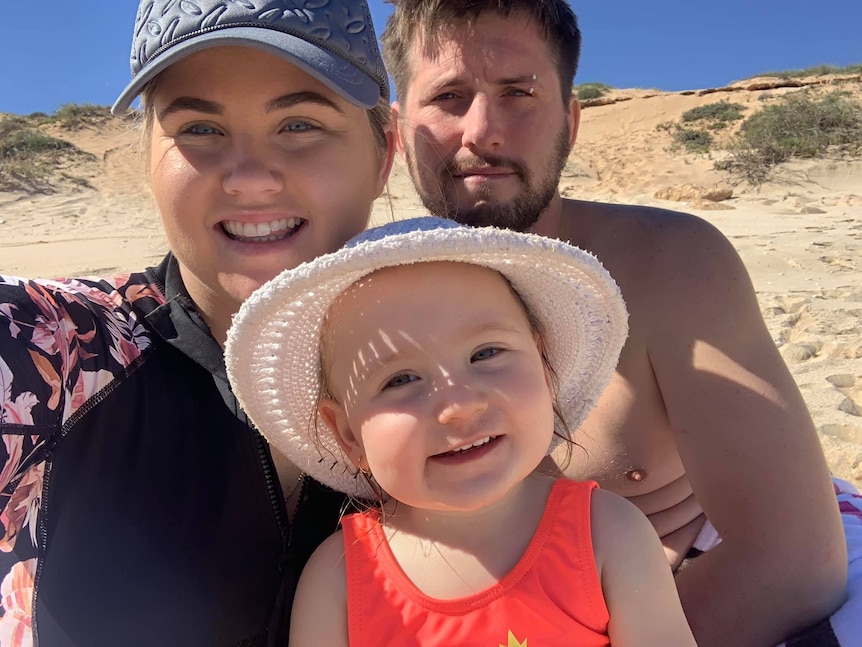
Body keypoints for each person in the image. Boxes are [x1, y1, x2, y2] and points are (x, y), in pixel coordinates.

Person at [380, 1, 862, 646]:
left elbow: (793, 561)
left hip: (717, 575)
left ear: (572, 123)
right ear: (397, 130)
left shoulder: (666, 262)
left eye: (518, 93)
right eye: (448, 96)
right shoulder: (357, 304)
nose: (483, 131)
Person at [0, 1, 394, 644]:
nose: (248, 180)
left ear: (385, 152)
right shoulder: (56, 350)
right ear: (147, 158)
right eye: (200, 130)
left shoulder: (456, 370)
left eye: (298, 123)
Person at [225, 216, 697, 646]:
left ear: (544, 367)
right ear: (349, 435)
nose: (459, 405)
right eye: (401, 380)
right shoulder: (340, 578)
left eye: (486, 353)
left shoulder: (606, 534)